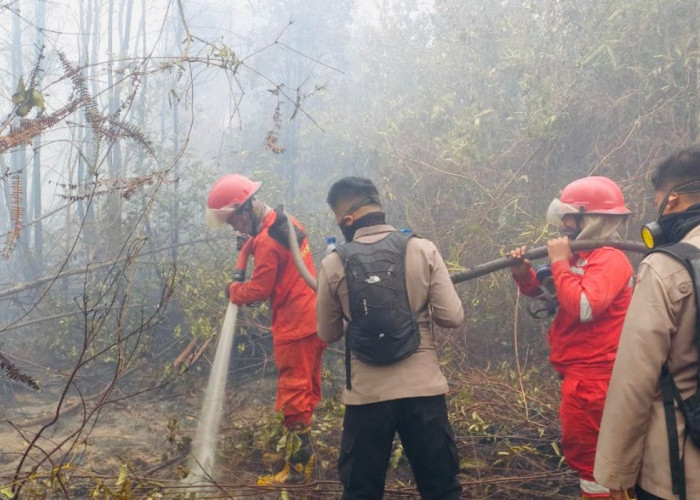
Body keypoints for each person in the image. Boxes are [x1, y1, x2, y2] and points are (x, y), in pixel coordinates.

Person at [316, 176, 465, 499]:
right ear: (378, 206)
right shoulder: (422, 249)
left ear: (347, 219)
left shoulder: (333, 262)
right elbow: (452, 317)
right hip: (423, 393)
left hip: (367, 397)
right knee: (441, 490)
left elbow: (326, 333)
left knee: (362, 492)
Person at [508, 176, 633, 499]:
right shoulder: (583, 257)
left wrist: (560, 261)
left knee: (593, 464)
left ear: (590, 218)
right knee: (597, 463)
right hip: (583, 379)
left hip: (596, 382)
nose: (564, 225)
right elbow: (556, 293)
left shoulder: (609, 259)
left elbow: (583, 305)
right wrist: (525, 276)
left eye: (570, 217)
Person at [205, 173, 326, 485]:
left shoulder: (269, 241)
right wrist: (249, 246)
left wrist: (233, 291)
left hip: (295, 325)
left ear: (247, 208)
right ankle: (305, 458)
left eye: (236, 221)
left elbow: (258, 290)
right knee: (306, 389)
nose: (235, 228)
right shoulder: (284, 221)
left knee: (294, 394)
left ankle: (298, 472)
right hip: (314, 318)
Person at [594, 149, 700, 500]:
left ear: (671, 201)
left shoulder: (665, 267)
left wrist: (615, 472)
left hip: (679, 472)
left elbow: (634, 382)